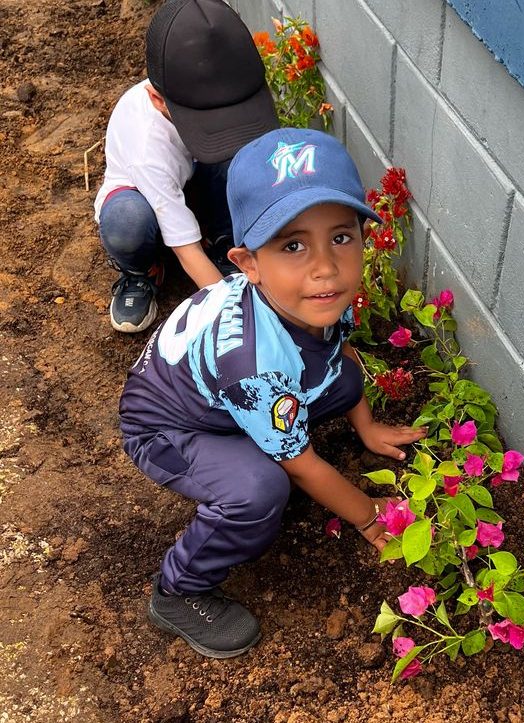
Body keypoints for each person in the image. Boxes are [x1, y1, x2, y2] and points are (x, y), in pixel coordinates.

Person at [119, 127, 427, 659]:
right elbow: (302, 467)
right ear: (249, 264)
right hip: (167, 429)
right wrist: (369, 517)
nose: (325, 266)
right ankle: (178, 590)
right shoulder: (254, 366)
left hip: (228, 399)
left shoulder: (315, 297)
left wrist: (367, 426)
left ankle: (258, 437)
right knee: (259, 490)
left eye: (341, 237)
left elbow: (339, 353)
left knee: (344, 377)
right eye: (293, 245)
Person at [94, 0, 278, 333]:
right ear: (158, 100)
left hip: (194, 180)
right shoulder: (146, 146)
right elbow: (186, 249)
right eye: (203, 118)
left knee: (235, 156)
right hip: (146, 198)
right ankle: (141, 271)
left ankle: (225, 243)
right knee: (127, 221)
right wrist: (237, 317)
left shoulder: (206, 83)